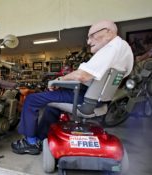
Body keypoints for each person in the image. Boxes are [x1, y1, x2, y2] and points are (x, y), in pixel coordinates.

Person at [11, 20, 134, 155]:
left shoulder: (111, 48)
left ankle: (30, 142)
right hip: (100, 100)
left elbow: (83, 76)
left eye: (92, 35)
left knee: (31, 99)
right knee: (52, 106)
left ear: (109, 32)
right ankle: (41, 137)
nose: (88, 41)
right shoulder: (124, 49)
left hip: (87, 100)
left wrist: (58, 80)